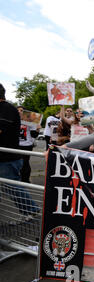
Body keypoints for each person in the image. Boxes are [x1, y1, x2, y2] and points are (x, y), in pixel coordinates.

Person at [0, 84, 39, 219]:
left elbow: (1, 130)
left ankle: (31, 209)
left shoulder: (7, 109)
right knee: (9, 187)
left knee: (13, 187)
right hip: (6, 156)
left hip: (7, 157)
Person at [17, 106, 40, 183]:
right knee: (16, 162)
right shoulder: (14, 120)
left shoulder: (30, 121)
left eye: (22, 110)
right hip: (16, 145)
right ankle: (18, 178)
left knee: (25, 163)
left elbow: (34, 135)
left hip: (27, 145)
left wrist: (37, 129)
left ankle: (25, 179)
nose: (20, 112)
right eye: (18, 110)